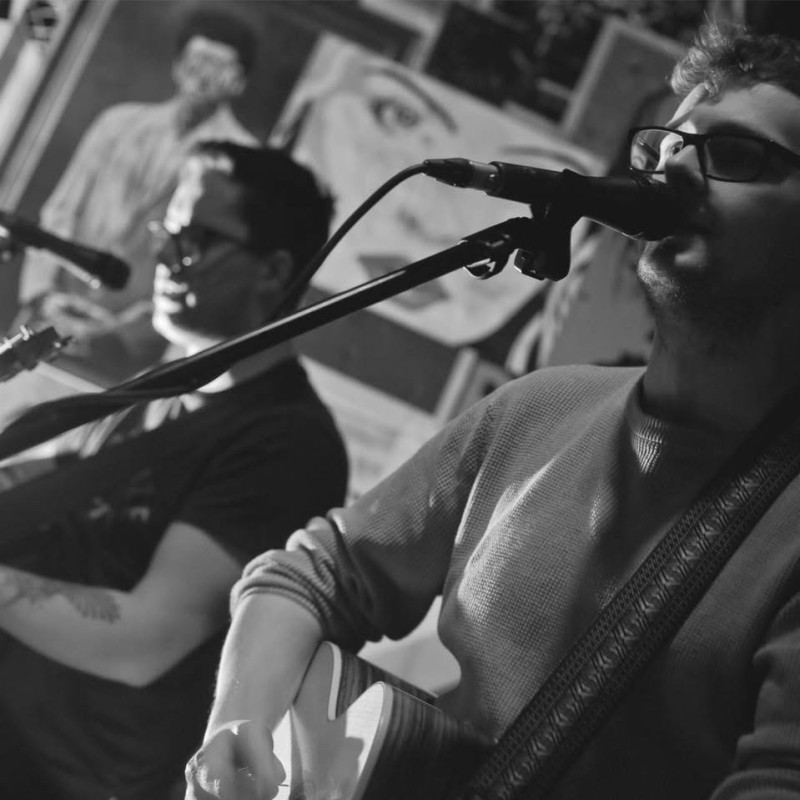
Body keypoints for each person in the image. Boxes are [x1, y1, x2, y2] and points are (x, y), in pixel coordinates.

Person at [185, 22, 800, 800]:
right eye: (664, 149)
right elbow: (312, 573)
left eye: (735, 155)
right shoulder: (536, 410)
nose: (673, 172)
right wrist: (238, 727)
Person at [0, 141, 348, 800]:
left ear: (273, 270)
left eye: (195, 240)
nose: (164, 256)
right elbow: (52, 488)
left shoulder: (288, 442)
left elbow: (147, 640)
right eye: (168, 233)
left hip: (56, 777)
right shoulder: (164, 391)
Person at [13, 8, 260, 385]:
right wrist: (44, 294)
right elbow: (62, 210)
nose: (203, 78)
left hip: (132, 348)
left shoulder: (242, 161)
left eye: (219, 68)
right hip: (51, 315)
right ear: (178, 65)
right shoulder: (119, 123)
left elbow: (210, 269)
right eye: (196, 63)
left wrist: (133, 325)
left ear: (239, 82)